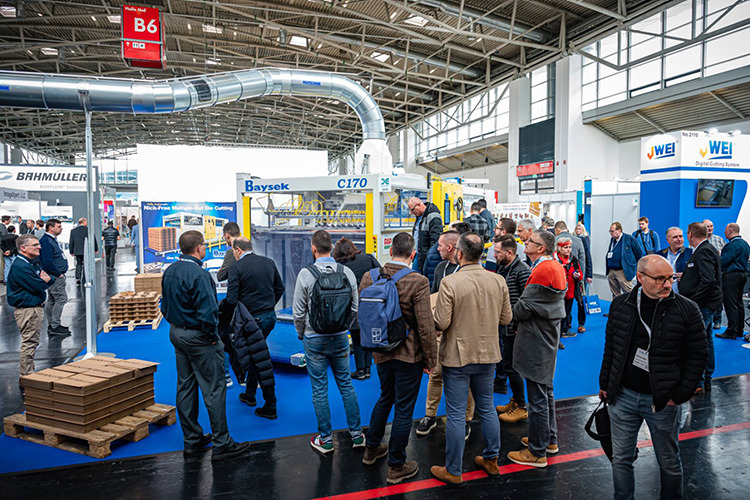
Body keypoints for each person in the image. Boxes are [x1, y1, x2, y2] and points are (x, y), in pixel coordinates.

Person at [599, 255, 707, 500]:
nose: (667, 284)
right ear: (640, 277)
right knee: (621, 459)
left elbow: (698, 355)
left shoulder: (687, 309)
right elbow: (612, 346)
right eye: (659, 279)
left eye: (670, 278)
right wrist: (605, 383)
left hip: (662, 401)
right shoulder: (621, 305)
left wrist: (680, 395)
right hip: (622, 396)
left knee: (668, 461)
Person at [430, 232, 512, 486]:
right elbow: (506, 318)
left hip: (458, 356)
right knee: (486, 407)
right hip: (488, 354)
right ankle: (491, 459)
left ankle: (453, 470)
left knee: (455, 414)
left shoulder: (450, 283)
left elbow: (441, 322)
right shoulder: (498, 280)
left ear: (459, 253)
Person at [161, 230, 251, 461]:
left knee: (185, 386)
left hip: (177, 334)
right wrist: (212, 337)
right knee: (214, 389)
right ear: (199, 247)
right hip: (200, 338)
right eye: (204, 245)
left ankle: (192, 440)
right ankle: (222, 443)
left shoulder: (170, 270)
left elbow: (164, 306)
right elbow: (209, 312)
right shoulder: (200, 275)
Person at [358, 232, 438, 485]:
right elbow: (425, 325)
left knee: (385, 398)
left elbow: (364, 316)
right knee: (404, 408)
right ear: (412, 255)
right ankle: (396, 465)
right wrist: (431, 360)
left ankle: (371, 449)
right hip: (409, 354)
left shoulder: (369, 277)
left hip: (380, 350)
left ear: (391, 251)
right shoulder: (418, 280)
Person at [293, 230, 363, 454]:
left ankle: (325, 439)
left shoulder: (306, 274)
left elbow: (298, 312)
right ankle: (357, 435)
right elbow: (355, 308)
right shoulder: (346, 272)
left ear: (313, 249)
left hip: (314, 338)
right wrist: (344, 327)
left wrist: (302, 333)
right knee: (346, 385)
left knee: (319, 389)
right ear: (331, 248)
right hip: (341, 337)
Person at [507, 230, 566, 468]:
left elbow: (522, 309)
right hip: (546, 337)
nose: (525, 242)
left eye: (530, 241)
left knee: (537, 397)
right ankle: (548, 439)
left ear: (541, 248)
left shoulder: (542, 270)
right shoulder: (555, 266)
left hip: (536, 340)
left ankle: (536, 451)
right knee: (545, 391)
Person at [416, 229, 475, 440]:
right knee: (435, 374)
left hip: (463, 333)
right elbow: (434, 296)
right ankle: (430, 416)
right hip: (440, 332)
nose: (437, 249)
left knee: (464, 378)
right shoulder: (441, 268)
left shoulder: (468, 271)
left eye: (440, 245)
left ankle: (466, 420)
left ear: (450, 247)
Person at [226, 236, 284, 418]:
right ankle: (250, 394)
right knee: (256, 355)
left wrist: (227, 323)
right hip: (269, 318)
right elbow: (280, 288)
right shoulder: (268, 262)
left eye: (233, 251)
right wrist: (268, 306)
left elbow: (231, 300)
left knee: (260, 360)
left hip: (251, 321)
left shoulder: (236, 268)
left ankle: (270, 404)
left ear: (238, 250)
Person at [678, 222, 722, 393]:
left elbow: (708, 280)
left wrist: (694, 302)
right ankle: (704, 379)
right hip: (706, 304)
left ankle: (698, 381)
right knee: (706, 341)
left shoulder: (703, 250)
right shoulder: (705, 249)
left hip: (703, 305)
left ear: (690, 234)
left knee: (697, 343)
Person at [494, 235, 531, 424]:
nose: (494, 255)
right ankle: (516, 401)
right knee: (507, 364)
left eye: (497, 252)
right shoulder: (504, 268)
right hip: (506, 326)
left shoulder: (522, 271)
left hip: (515, 328)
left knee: (512, 367)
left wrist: (517, 325)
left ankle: (522, 406)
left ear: (509, 252)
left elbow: (526, 302)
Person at [332, 237, 381, 380]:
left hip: (353, 303)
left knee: (356, 338)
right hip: (371, 302)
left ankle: (360, 370)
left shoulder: (340, 265)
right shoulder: (368, 258)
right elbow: (381, 273)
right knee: (367, 336)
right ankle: (368, 369)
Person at [7, 235, 54, 379]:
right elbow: (38, 285)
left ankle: (28, 372)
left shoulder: (29, 263)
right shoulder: (21, 267)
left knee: (32, 341)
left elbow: (42, 280)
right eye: (35, 245)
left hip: (32, 309)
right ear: (23, 248)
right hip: (28, 310)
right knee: (30, 342)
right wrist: (48, 279)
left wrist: (45, 279)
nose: (39, 247)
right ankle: (27, 375)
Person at [716, 224, 750, 340]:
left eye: (725, 231)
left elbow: (723, 261)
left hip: (731, 276)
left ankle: (731, 331)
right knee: (738, 302)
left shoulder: (731, 245)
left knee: (730, 303)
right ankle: (739, 329)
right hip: (743, 275)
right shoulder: (745, 244)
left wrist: (719, 256)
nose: (724, 233)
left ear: (730, 231)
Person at [39, 219, 69, 337]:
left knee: (52, 300)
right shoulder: (46, 241)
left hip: (55, 275)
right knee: (61, 299)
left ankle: (53, 324)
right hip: (55, 276)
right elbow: (47, 261)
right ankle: (55, 325)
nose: (61, 228)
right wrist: (58, 273)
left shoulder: (51, 240)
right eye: (59, 226)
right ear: (51, 228)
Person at [555, 237, 582, 341]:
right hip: (557, 292)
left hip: (569, 292)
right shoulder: (554, 260)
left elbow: (580, 274)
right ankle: (557, 331)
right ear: (559, 248)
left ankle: (564, 330)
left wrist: (577, 275)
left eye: (570, 247)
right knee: (557, 313)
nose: (568, 250)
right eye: (565, 247)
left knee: (567, 312)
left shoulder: (573, 260)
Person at [606, 222, 644, 297]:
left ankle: (630, 304)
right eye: (610, 231)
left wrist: (633, 265)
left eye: (612, 231)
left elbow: (639, 253)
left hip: (623, 271)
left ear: (619, 230)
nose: (611, 233)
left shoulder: (629, 239)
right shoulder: (612, 240)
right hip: (612, 270)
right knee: (615, 293)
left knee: (628, 292)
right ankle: (617, 304)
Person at [408, 197, 442, 273]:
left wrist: (429, 258)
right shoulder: (419, 217)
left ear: (419, 205)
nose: (411, 213)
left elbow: (435, 240)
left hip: (427, 257)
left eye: (412, 209)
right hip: (418, 255)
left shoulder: (433, 217)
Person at [656, 227, 692, 293]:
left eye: (680, 236)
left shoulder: (691, 253)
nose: (679, 239)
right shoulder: (659, 255)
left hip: (685, 295)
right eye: (675, 237)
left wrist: (687, 276)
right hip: (663, 294)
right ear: (668, 240)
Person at [704, 219, 725, 329]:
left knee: (717, 297)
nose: (710, 228)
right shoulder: (699, 241)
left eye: (711, 226)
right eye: (707, 226)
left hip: (717, 273)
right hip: (705, 274)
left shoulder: (719, 239)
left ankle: (717, 320)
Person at [574, 223, 593, 332]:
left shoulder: (585, 240)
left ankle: (581, 324)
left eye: (580, 228)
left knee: (581, 300)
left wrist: (589, 274)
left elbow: (588, 258)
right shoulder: (572, 239)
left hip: (581, 275)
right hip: (571, 274)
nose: (578, 230)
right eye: (576, 228)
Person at [69, 218, 98, 285]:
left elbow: (71, 241)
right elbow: (93, 240)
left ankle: (78, 277)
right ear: (84, 222)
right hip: (87, 250)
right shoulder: (88, 230)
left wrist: (71, 251)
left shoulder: (73, 231)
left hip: (77, 250)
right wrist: (95, 249)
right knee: (86, 264)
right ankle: (85, 278)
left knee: (79, 263)